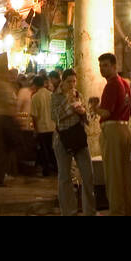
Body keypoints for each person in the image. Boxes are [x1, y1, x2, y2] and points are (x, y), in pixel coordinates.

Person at [50, 69, 96, 216]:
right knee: (65, 177)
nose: (72, 85)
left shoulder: (78, 95)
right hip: (63, 139)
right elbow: (56, 116)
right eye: (69, 81)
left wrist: (83, 113)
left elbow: (87, 119)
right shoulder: (56, 97)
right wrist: (67, 103)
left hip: (78, 138)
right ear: (63, 82)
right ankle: (68, 211)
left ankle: (89, 211)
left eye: (74, 81)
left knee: (88, 175)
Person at [96, 53, 131, 215]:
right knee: (124, 173)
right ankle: (126, 208)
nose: (102, 69)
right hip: (124, 129)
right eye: (100, 65)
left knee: (113, 174)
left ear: (114, 66)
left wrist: (92, 107)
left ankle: (117, 211)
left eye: (105, 65)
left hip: (112, 130)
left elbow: (105, 112)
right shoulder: (125, 83)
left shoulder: (111, 85)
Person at [0, 66, 20, 187]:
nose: (13, 77)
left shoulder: (3, 86)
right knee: (4, 151)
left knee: (3, 151)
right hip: (5, 120)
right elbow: (9, 105)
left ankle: (0, 176)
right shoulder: (5, 87)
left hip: (3, 120)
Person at [29, 74, 56, 177]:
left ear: (35, 85)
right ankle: (55, 168)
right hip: (52, 126)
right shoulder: (51, 94)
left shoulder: (35, 97)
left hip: (42, 128)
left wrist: (35, 129)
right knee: (52, 149)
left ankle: (46, 170)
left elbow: (34, 115)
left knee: (44, 150)